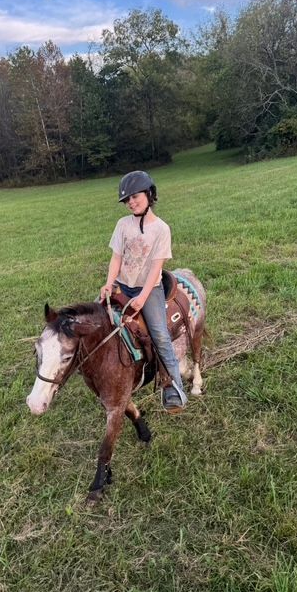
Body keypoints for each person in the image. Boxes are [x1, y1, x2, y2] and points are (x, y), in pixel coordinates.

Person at [100, 170, 187, 412]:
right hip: (122, 284)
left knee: (159, 334)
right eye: (127, 200)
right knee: (96, 320)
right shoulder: (122, 225)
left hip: (149, 288)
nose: (131, 203)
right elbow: (116, 258)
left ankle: (174, 388)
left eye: (135, 197)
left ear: (150, 194)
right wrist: (109, 283)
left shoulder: (161, 229)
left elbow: (156, 268)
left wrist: (142, 297)